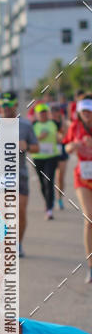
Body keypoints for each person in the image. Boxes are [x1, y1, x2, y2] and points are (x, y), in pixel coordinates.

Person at [0, 91, 38, 257]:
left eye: (9, 105)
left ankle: (18, 243)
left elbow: (36, 147)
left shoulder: (26, 125)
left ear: (15, 105)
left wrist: (26, 146)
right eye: (3, 105)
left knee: (20, 211)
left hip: (19, 174)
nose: (6, 108)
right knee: (0, 213)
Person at [64, 96, 92, 283]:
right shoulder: (75, 126)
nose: (87, 115)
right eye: (84, 112)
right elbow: (66, 147)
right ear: (79, 113)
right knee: (89, 218)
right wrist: (72, 146)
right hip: (82, 177)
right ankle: (91, 266)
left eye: (89, 111)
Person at [31, 103, 60, 219]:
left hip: (51, 157)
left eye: (44, 112)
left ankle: (49, 209)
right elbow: (30, 140)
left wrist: (60, 138)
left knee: (49, 181)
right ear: (37, 114)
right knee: (42, 183)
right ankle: (47, 201)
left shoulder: (53, 123)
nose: (43, 114)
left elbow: (63, 133)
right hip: (38, 157)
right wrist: (40, 137)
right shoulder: (33, 125)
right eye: (40, 112)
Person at [50, 102, 68, 210]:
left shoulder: (63, 122)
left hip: (62, 151)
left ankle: (59, 199)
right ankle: (50, 199)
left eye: (56, 111)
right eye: (52, 111)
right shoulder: (48, 122)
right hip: (50, 152)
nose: (54, 113)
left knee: (60, 177)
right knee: (50, 177)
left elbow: (64, 137)